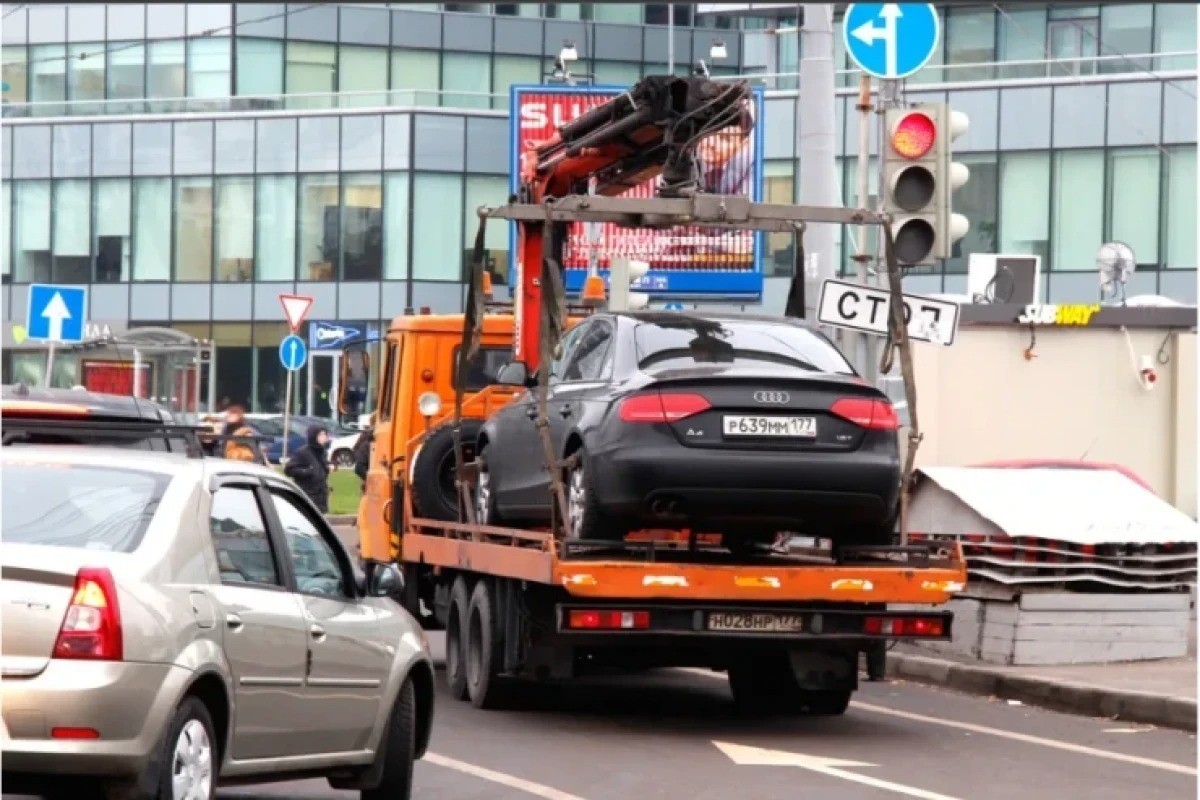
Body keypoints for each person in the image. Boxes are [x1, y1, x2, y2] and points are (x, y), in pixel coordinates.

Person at [285, 425, 332, 513]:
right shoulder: (302, 453)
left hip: (321, 495)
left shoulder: (323, 453)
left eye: (325, 434)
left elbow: (321, 470)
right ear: (313, 436)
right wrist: (307, 471)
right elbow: (289, 469)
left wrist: (328, 468)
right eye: (321, 435)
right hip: (307, 494)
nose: (324, 437)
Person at [353, 414, 375, 486]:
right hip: (372, 479)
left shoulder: (365, 436)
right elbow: (359, 468)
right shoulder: (368, 439)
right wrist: (372, 480)